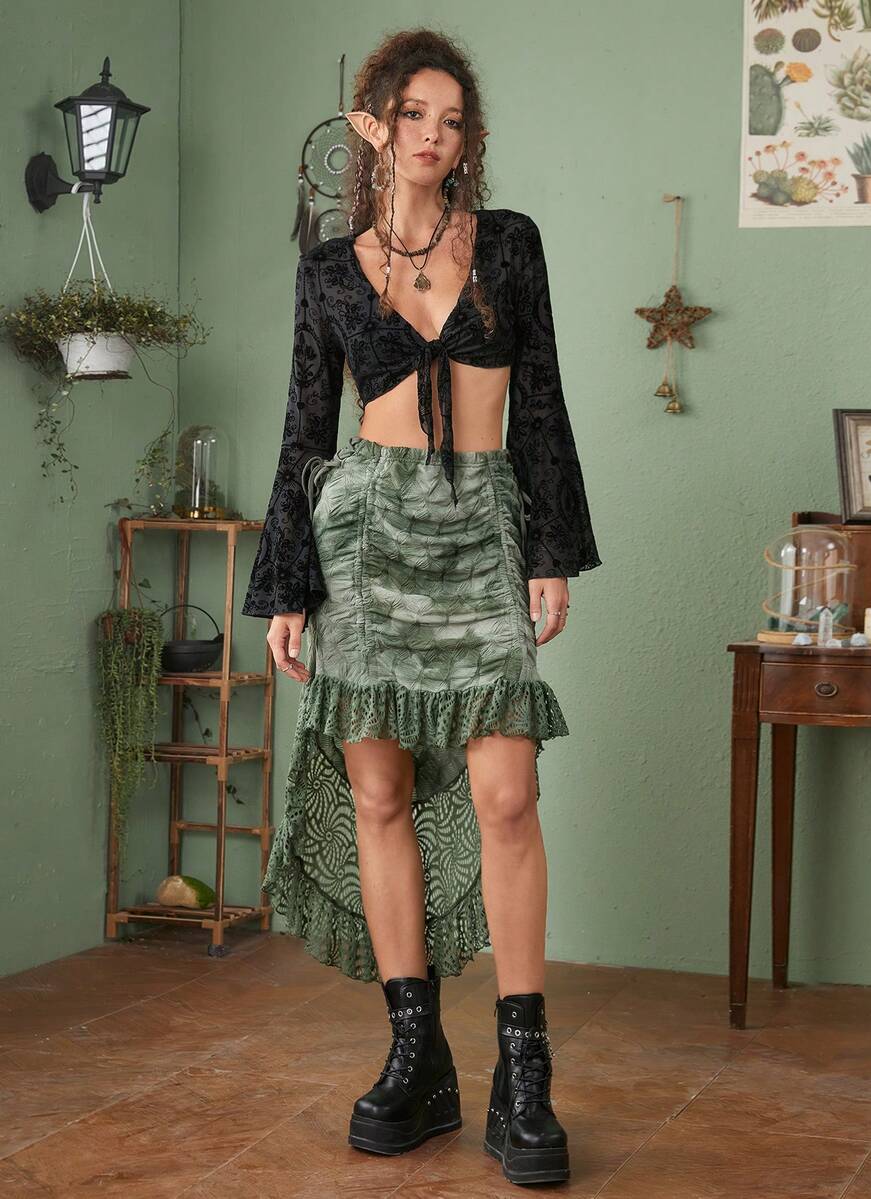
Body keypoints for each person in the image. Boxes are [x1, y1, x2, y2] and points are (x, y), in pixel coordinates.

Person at [241, 27, 600, 1186]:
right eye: (413, 115)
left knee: (507, 792)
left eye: (453, 119)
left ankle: (524, 1073)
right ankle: (417, 1053)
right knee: (380, 792)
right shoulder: (329, 268)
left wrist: (550, 548)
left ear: (468, 138)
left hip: (480, 527)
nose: (434, 135)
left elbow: (540, 400)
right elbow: (305, 428)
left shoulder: (509, 244)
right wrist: (286, 584)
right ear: (375, 125)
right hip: (363, 534)